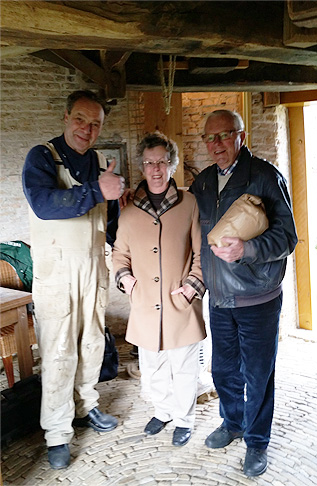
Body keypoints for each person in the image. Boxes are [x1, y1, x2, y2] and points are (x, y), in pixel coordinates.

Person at [190, 110, 297, 477]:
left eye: (224, 136)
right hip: (219, 298)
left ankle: (256, 441)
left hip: (258, 298)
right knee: (223, 370)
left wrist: (247, 251)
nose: (216, 145)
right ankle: (232, 423)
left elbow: (288, 238)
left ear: (241, 135)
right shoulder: (202, 183)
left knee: (258, 373)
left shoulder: (265, 177)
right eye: (210, 138)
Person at [22, 90, 125, 470]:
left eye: (95, 123)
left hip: (93, 269)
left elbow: (111, 224)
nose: (87, 129)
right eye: (81, 119)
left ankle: (86, 406)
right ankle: (57, 433)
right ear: (66, 117)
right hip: (57, 274)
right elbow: (45, 205)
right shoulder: (42, 157)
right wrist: (100, 190)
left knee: (92, 343)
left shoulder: (100, 163)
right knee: (59, 351)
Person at [112, 132, 206, 447]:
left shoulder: (189, 203)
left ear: (171, 165)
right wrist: (125, 278)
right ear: (142, 166)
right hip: (144, 304)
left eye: (162, 162)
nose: (156, 168)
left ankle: (184, 420)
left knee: (183, 366)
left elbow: (201, 251)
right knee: (152, 367)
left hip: (180, 301)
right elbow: (119, 254)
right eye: (150, 162)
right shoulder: (127, 212)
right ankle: (163, 411)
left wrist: (193, 286)